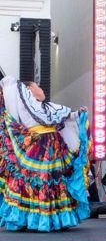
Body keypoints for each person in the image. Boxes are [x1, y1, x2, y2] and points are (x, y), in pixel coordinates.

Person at [0, 77, 90, 231]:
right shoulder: (26, 108)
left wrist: (79, 113)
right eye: (37, 86)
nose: (41, 89)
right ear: (29, 90)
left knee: (53, 180)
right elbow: (10, 82)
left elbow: (66, 116)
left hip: (53, 147)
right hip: (38, 147)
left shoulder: (47, 107)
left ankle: (51, 219)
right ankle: (34, 220)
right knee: (38, 181)